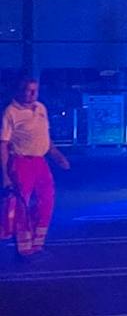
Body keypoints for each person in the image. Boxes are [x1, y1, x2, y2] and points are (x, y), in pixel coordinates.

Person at [0, 77, 71, 258]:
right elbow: (3, 144)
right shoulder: (11, 112)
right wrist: (6, 176)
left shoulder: (41, 108)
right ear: (20, 90)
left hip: (40, 161)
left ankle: (38, 243)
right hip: (21, 161)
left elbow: (45, 138)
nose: (31, 94)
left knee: (46, 200)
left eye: (34, 90)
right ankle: (24, 248)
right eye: (28, 90)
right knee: (22, 204)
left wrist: (57, 156)